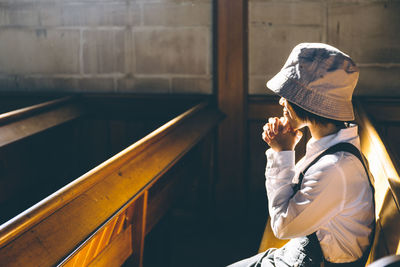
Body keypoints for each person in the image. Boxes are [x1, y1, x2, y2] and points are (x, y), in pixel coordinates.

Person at [228, 43, 375, 266]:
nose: (281, 101)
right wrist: (287, 147)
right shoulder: (329, 146)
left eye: (288, 94)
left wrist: (283, 152)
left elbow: (283, 226)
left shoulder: (335, 166)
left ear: (306, 102)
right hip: (303, 251)